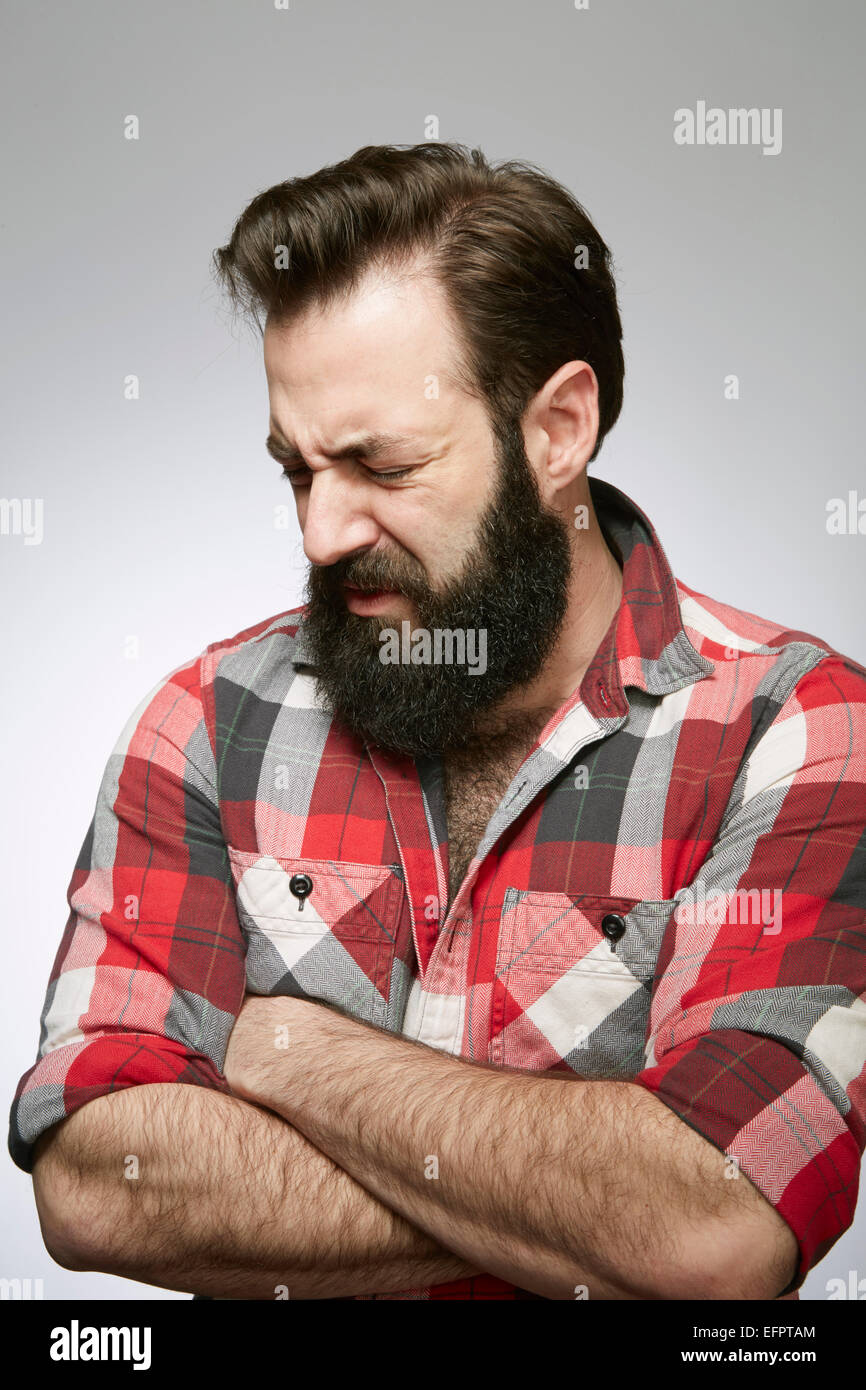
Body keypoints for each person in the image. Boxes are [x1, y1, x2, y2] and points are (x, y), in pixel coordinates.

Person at [12, 143, 865, 1301]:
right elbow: (96, 1181)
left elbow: (717, 1226)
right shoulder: (205, 723)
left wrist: (291, 1052)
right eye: (296, 472)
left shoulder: (794, 728)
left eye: (379, 464)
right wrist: (591, 1205)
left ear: (557, 430)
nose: (319, 532)